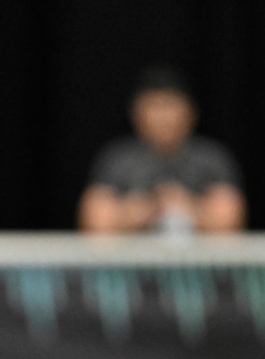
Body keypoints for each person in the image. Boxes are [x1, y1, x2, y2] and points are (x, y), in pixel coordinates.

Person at [78, 66, 246, 234]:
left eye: (169, 106)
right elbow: (94, 219)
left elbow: (230, 219)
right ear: (137, 114)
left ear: (190, 112)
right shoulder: (117, 159)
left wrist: (185, 208)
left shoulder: (210, 157)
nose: (163, 117)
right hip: (131, 257)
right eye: (154, 107)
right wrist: (141, 211)